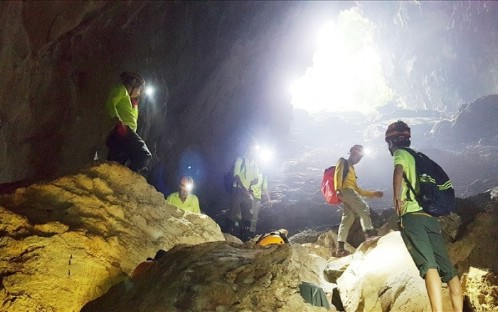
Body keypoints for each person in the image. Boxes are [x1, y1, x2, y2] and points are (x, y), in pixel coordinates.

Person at [385, 120, 463, 312]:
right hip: (430, 217)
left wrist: (396, 198)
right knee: (449, 270)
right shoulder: (418, 157)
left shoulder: (400, 154)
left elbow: (398, 171)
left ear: (391, 142)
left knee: (429, 267)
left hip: (413, 217)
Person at [334, 144, 383, 257]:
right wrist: (337, 189)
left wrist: (373, 194)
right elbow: (338, 174)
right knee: (364, 208)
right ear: (353, 153)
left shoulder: (352, 169)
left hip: (349, 193)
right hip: (346, 191)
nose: (359, 160)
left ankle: (340, 249)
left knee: (348, 218)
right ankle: (369, 235)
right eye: (359, 157)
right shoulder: (343, 161)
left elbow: (358, 190)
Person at [105, 71, 152, 174]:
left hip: (121, 134)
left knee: (115, 165)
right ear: (133, 83)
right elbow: (110, 102)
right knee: (144, 155)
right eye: (139, 89)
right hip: (123, 130)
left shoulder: (128, 99)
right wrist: (117, 119)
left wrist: (134, 105)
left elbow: (133, 118)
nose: (139, 93)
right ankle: (130, 176)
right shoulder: (121, 89)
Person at [225, 147, 260, 241]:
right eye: (252, 151)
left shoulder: (255, 165)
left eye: (255, 152)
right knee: (234, 211)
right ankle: (227, 234)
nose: (253, 153)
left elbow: (256, 178)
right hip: (238, 189)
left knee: (248, 213)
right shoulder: (240, 159)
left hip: (247, 191)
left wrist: (251, 184)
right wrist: (243, 186)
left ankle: (244, 237)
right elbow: (236, 174)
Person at [249, 171, 271, 237]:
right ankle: (244, 232)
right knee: (248, 214)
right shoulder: (254, 170)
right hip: (249, 195)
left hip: (257, 197)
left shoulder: (264, 175)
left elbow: (265, 188)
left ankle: (251, 234)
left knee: (255, 217)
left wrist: (269, 199)